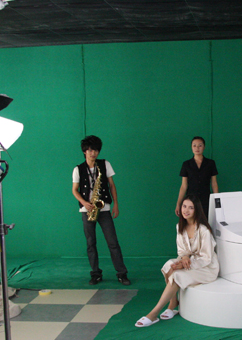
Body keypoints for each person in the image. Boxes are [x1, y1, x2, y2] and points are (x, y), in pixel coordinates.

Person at [136, 195, 219, 327]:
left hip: (206, 268)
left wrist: (186, 264)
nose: (186, 210)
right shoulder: (180, 226)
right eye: (184, 206)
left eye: (191, 208)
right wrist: (184, 259)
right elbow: (182, 251)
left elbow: (206, 258)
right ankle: (173, 303)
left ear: (197, 210)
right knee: (169, 265)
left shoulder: (203, 230)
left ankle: (153, 313)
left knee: (177, 275)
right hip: (190, 262)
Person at [72, 135, 130, 286]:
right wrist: (84, 203)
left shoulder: (105, 164)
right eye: (90, 150)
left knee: (113, 242)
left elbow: (112, 185)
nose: (93, 153)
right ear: (84, 151)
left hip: (104, 208)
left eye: (96, 150)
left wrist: (116, 204)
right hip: (87, 210)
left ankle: (122, 273)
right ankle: (96, 273)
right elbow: (74, 190)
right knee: (90, 243)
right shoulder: (78, 169)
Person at [175, 136, 219, 219]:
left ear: (204, 147)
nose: (197, 148)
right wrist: (178, 203)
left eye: (200, 145)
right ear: (191, 147)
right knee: (191, 222)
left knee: (206, 221)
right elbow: (184, 186)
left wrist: (217, 201)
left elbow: (214, 184)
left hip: (206, 199)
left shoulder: (210, 163)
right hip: (190, 200)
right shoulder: (186, 164)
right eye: (194, 145)